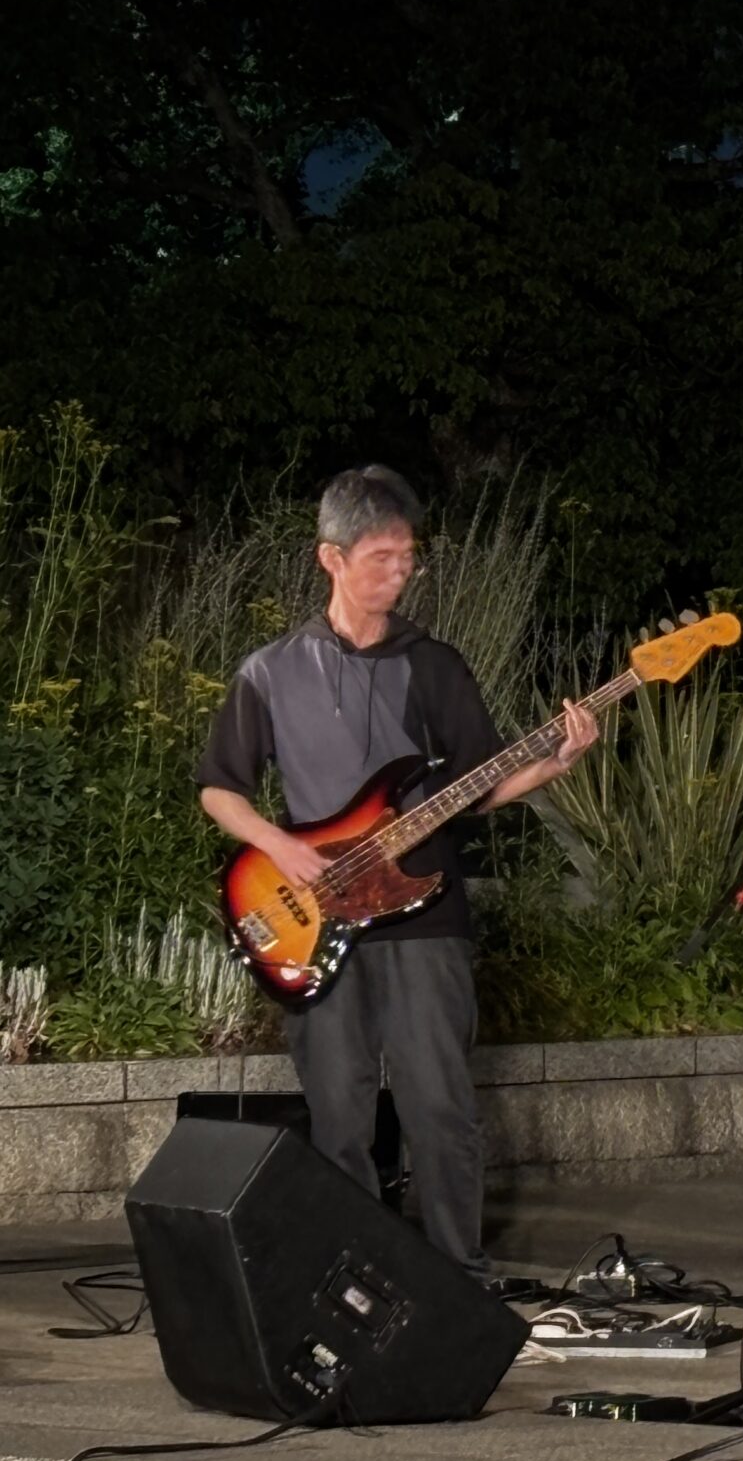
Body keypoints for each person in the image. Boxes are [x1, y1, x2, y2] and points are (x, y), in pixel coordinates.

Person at [196, 466, 596, 1280]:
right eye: (381, 557)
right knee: (338, 1115)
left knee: (439, 1106)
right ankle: (355, 1277)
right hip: (312, 915)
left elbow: (480, 788)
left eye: (407, 557)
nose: (400, 572)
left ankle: (458, 1277)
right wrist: (278, 845)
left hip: (426, 917)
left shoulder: (433, 665)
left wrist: (555, 763)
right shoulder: (270, 671)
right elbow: (218, 788)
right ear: (331, 557)